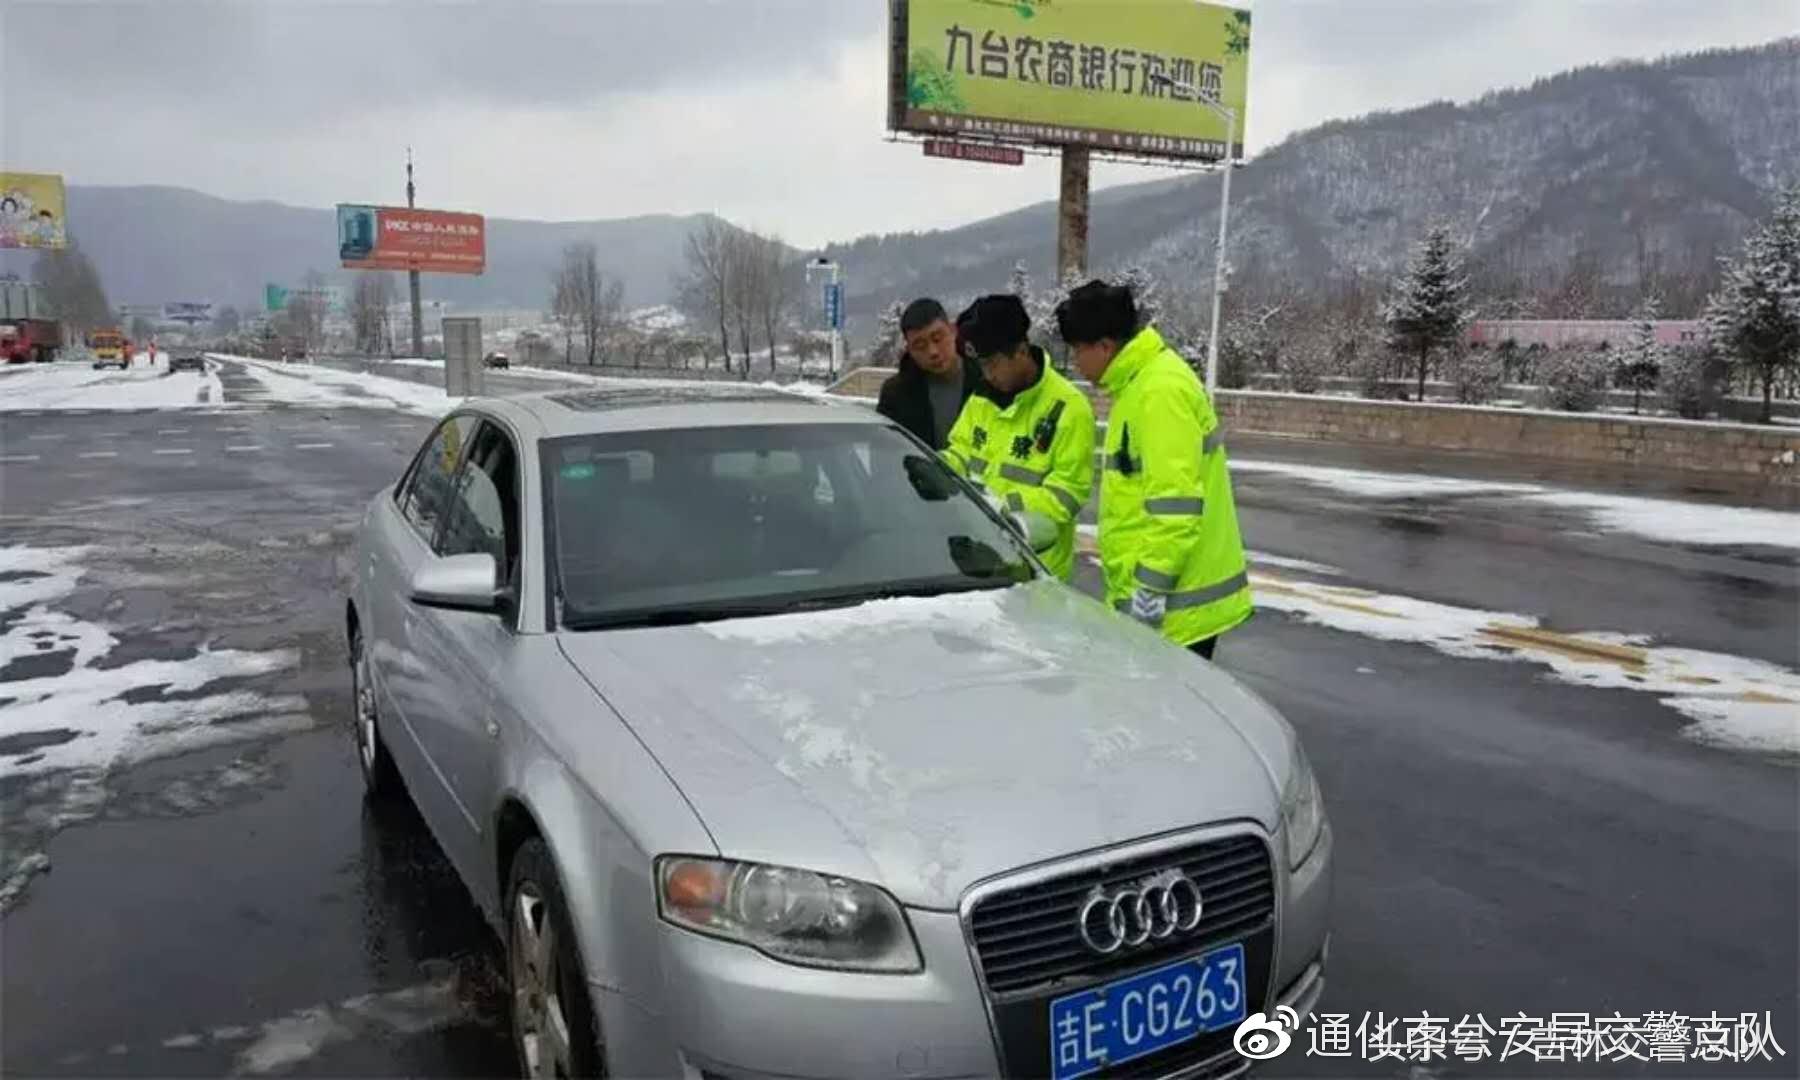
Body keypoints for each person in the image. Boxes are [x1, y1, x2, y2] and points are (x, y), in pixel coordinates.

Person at [1055, 280, 1250, 659]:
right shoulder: (1137, 385)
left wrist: (1149, 592)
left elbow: (1175, 508)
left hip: (1177, 609)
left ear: (1106, 346)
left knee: (1168, 714)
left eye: (1078, 350)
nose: (1076, 362)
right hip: (1166, 602)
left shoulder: (1159, 392)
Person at [939, 294, 1094, 581]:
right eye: (981, 366)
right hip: (979, 562)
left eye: (993, 364)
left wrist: (1002, 506)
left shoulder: (1068, 408)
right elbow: (960, 452)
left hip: (1035, 571)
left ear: (1021, 351)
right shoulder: (982, 399)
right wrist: (936, 469)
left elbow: (1066, 495)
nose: (987, 375)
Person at [876, 298, 985, 451]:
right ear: (909, 349)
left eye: (938, 339)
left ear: (953, 331)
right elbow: (885, 453)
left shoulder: (987, 380)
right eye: (920, 346)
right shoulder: (896, 394)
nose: (932, 352)